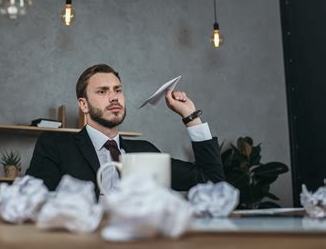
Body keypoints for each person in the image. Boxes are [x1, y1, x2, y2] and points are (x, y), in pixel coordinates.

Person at [26, 64, 224, 198]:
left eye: (118, 90)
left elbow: (212, 182)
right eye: (103, 91)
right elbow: (34, 200)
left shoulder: (145, 152)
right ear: (83, 105)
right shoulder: (55, 146)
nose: (114, 97)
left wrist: (191, 116)